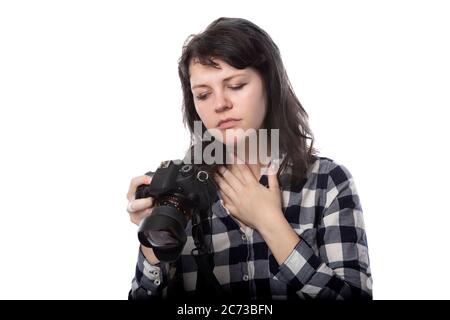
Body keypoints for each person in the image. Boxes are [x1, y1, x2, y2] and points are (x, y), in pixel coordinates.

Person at [126, 17, 372, 300]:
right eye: (203, 94)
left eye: (237, 85)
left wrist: (269, 222)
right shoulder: (181, 192)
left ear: (270, 84)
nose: (220, 104)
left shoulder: (327, 182)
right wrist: (152, 244)